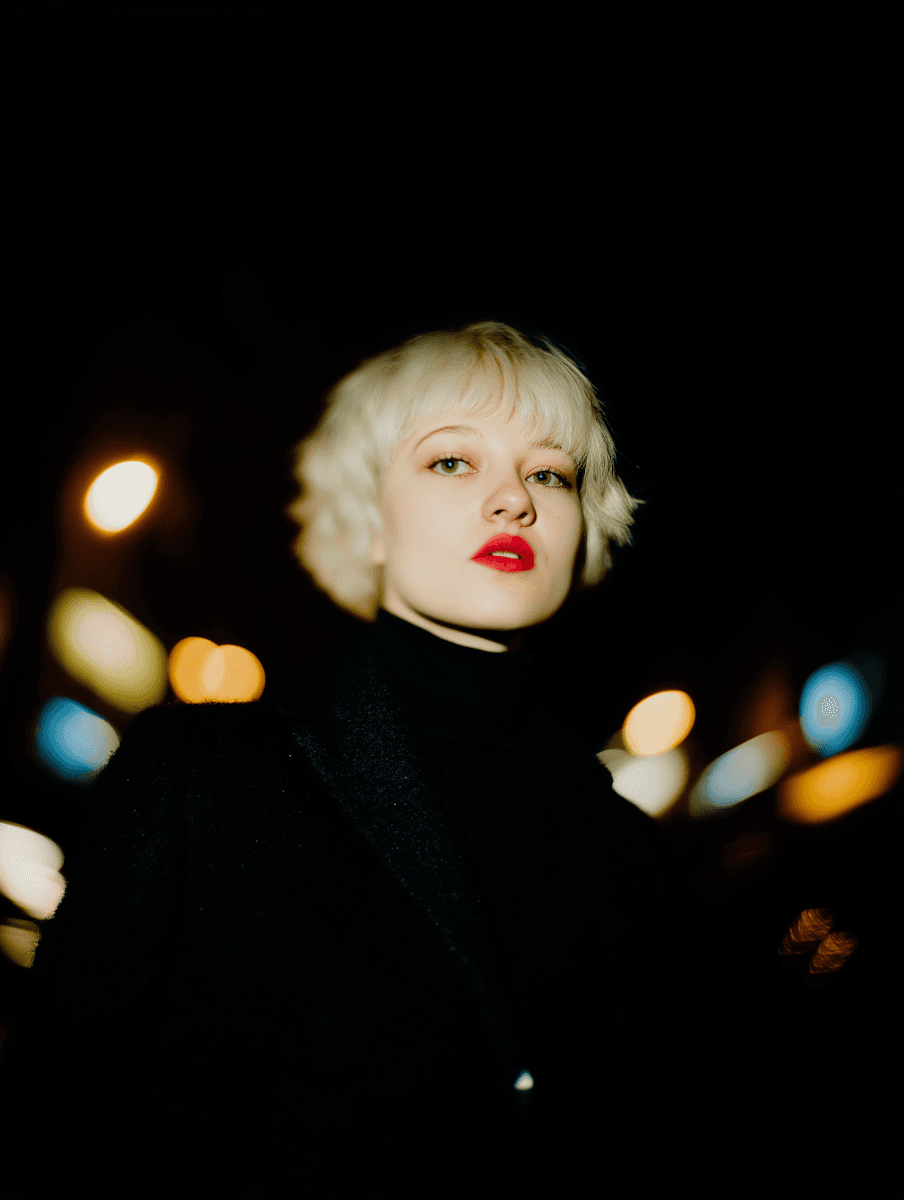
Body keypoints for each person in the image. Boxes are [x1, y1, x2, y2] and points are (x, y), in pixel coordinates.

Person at [0, 320, 725, 1198]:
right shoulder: (195, 781)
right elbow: (59, 1120)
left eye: (549, 474)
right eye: (453, 461)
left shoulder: (636, 857)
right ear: (368, 518)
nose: (513, 500)